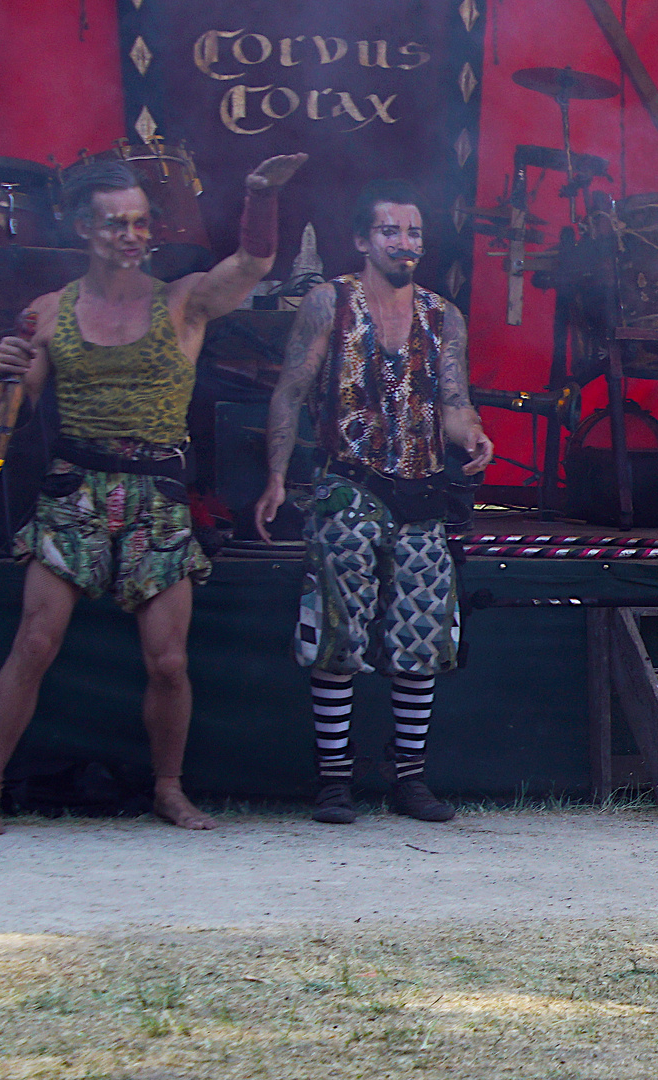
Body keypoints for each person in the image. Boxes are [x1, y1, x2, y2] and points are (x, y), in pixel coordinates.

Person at [0, 151, 308, 835]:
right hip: (74, 489)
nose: (132, 236)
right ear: (83, 229)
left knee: (170, 661)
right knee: (34, 642)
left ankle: (168, 789)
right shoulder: (48, 312)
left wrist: (259, 194)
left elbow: (254, 265)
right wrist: (4, 370)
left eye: (141, 223)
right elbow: (14, 412)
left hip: (157, 492)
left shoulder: (184, 300)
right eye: (116, 224)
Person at [254, 179, 492, 825]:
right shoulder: (328, 303)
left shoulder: (444, 315)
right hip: (347, 489)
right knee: (336, 637)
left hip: (422, 496)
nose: (405, 243)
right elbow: (290, 392)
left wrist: (472, 434)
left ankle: (408, 779)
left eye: (414, 232)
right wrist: (277, 477)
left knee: (419, 641)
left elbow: (452, 401)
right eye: (391, 231)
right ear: (362, 239)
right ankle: (334, 780)